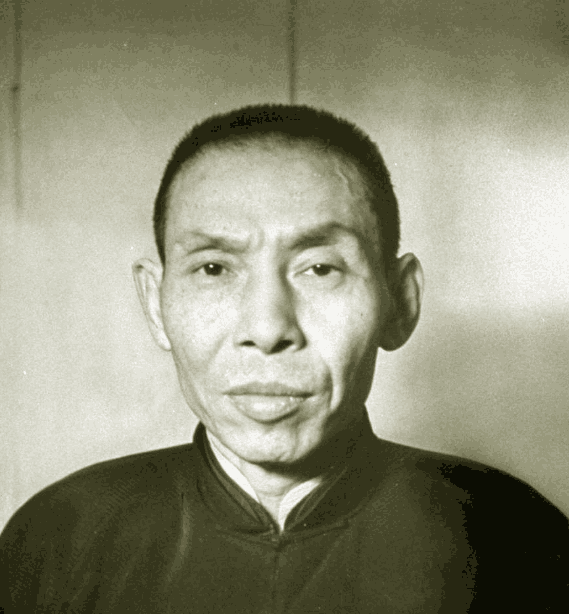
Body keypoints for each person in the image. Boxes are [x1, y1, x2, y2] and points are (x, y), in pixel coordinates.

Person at [0, 104, 567, 613]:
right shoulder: (58, 538)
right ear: (155, 303)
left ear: (400, 302)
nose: (267, 330)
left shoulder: (513, 537)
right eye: (214, 268)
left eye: (320, 268)